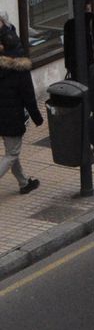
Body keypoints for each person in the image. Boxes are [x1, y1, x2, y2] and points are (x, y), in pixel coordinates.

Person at [0, 14, 43, 197]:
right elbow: (28, 97)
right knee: (11, 154)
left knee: (12, 151)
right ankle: (24, 182)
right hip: (12, 117)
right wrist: (38, 118)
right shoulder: (20, 69)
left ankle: (24, 182)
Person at [62, 0, 94, 84]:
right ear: (88, 8)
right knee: (93, 85)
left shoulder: (69, 24)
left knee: (79, 86)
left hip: (75, 65)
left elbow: (67, 48)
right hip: (93, 62)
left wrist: (68, 66)